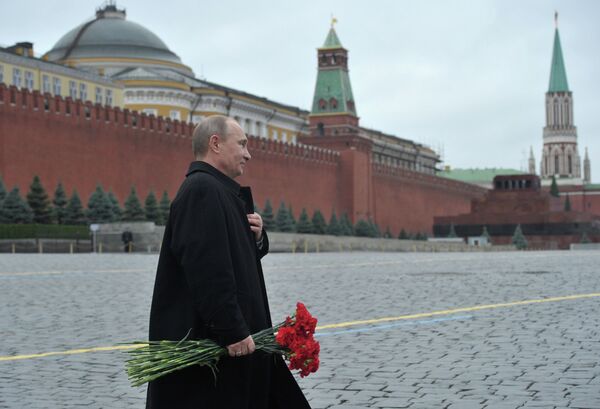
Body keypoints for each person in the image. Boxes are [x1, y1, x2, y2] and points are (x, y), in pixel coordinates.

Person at [146, 115, 311, 409]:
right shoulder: (202, 191)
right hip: (220, 349)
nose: (249, 153)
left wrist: (257, 238)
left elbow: (234, 259)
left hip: (238, 344)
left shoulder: (219, 192)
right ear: (215, 144)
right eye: (242, 144)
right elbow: (207, 271)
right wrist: (232, 330)